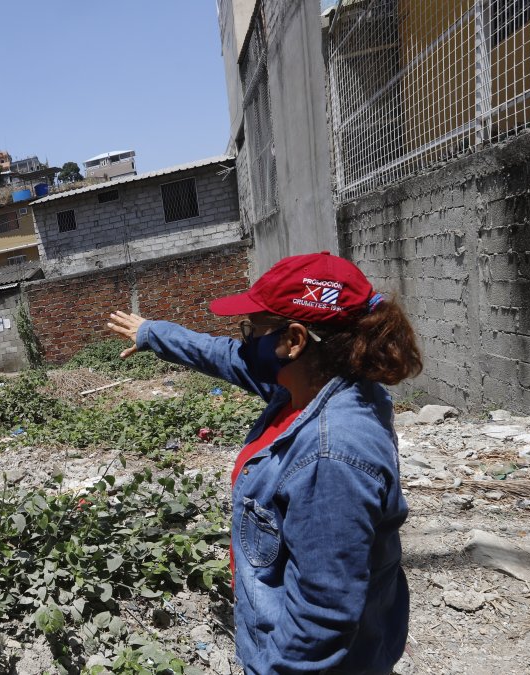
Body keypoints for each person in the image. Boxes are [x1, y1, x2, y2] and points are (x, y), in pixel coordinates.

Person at [107, 251, 422, 675]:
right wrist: (153, 333)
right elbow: (223, 356)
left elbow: (323, 615)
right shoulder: (315, 385)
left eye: (252, 329)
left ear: (293, 341)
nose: (244, 341)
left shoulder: (331, 454)